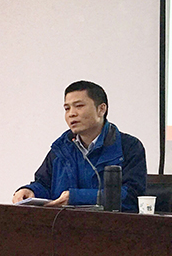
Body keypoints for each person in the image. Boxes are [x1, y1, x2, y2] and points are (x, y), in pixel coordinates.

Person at [12, 81, 146, 211]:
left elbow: (131, 197)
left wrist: (76, 198)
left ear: (101, 109)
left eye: (79, 106)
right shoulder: (61, 147)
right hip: (64, 223)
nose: (72, 113)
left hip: (111, 224)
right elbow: (44, 184)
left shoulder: (129, 146)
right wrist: (30, 191)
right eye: (67, 108)